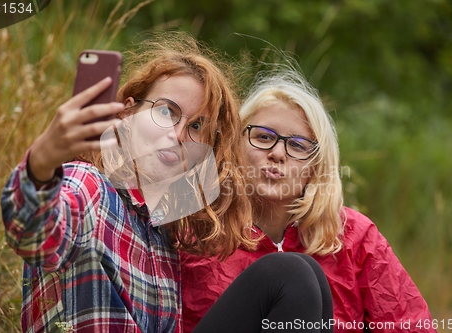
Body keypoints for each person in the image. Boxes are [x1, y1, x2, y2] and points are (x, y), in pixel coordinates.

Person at [0, 32, 257, 333]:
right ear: (128, 112)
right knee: (286, 276)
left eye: (197, 126)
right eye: (166, 111)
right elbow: (31, 234)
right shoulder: (90, 185)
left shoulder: (163, 238)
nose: (177, 135)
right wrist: (42, 161)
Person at [181, 63, 437, 333]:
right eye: (263, 137)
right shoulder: (194, 226)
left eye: (297, 145)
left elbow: (408, 326)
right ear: (235, 144)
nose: (278, 153)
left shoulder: (355, 238)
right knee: (292, 274)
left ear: (316, 168)